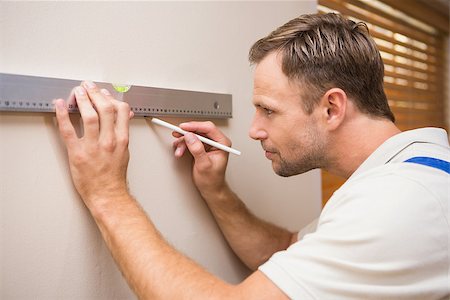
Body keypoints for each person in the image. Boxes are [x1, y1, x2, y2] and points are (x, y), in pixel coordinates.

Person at [54, 13, 449, 299]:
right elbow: (290, 253)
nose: (254, 129)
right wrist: (216, 192)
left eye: (269, 110)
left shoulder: (401, 202)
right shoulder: (414, 170)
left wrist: (108, 194)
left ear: (331, 108)